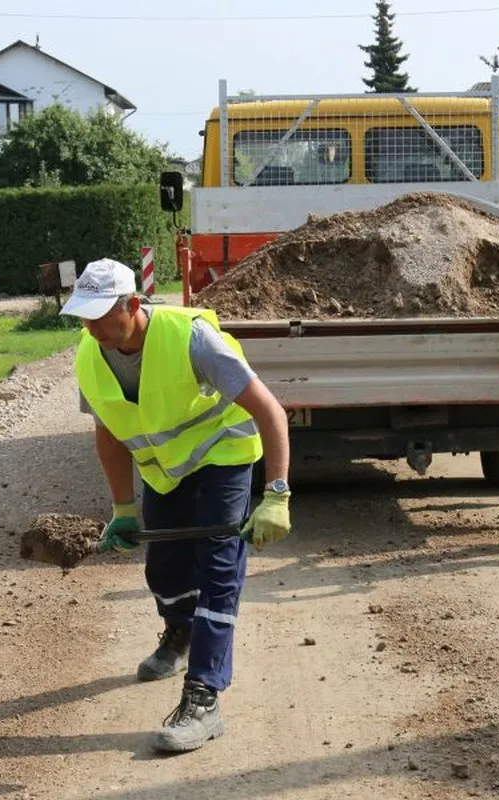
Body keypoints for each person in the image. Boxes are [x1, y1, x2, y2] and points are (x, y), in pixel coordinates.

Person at [60, 257, 292, 753]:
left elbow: (270, 411)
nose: (93, 326)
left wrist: (276, 493)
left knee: (218, 571)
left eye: (103, 315)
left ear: (135, 304)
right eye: (85, 316)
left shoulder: (191, 338)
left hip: (224, 456)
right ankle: (179, 633)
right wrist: (123, 507)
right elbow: (108, 432)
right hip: (164, 471)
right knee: (164, 571)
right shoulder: (88, 353)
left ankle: (204, 697)